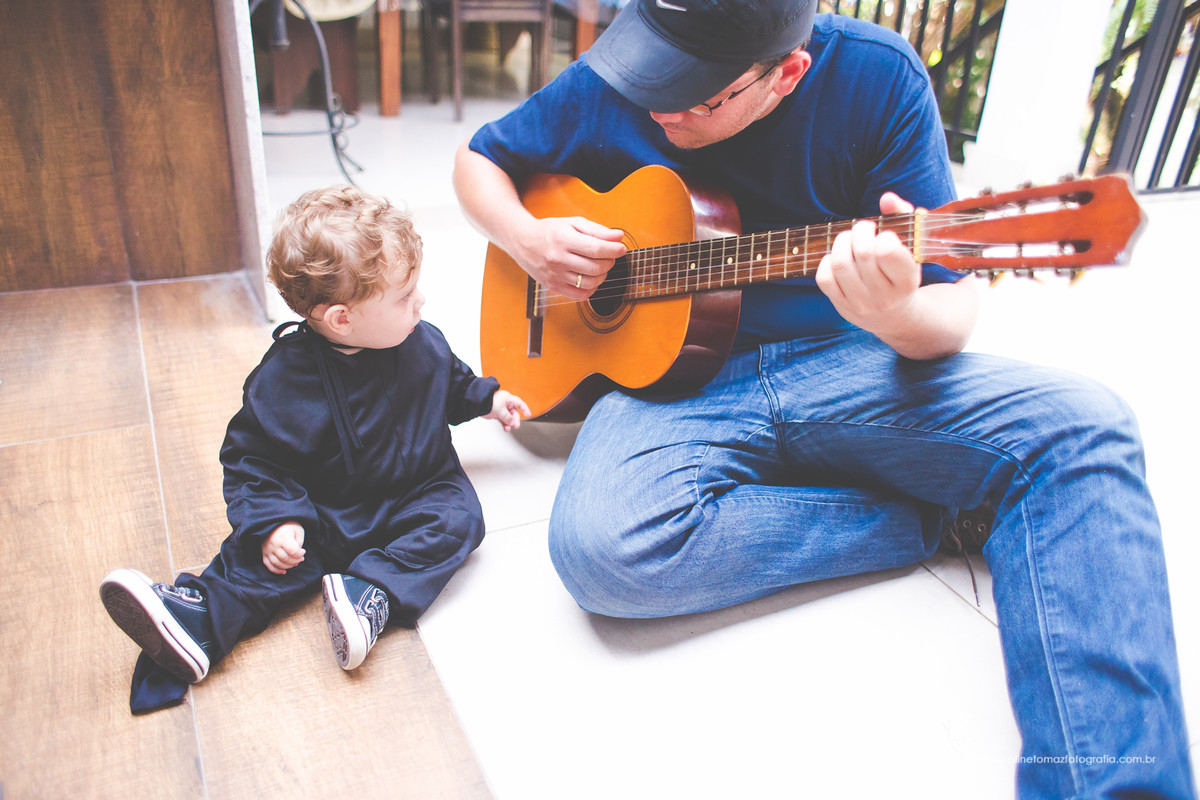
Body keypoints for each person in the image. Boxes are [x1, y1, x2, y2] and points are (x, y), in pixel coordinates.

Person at [451, 1, 1195, 796]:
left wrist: (897, 314)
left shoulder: (877, 76)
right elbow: (477, 161)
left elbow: (949, 309)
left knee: (1087, 427)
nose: (659, 106)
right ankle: (934, 518)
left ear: (788, 73)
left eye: (696, 95)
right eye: (649, 78)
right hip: (673, 388)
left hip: (842, 363)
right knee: (603, 552)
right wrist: (526, 240)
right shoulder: (634, 71)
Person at [101, 185, 529, 709]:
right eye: (404, 295)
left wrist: (489, 399)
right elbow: (251, 459)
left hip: (418, 491)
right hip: (322, 513)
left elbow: (453, 382)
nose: (422, 301)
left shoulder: (422, 340)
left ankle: (369, 595)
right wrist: (276, 520)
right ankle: (198, 620)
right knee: (263, 559)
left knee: (458, 519)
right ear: (341, 318)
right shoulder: (284, 380)